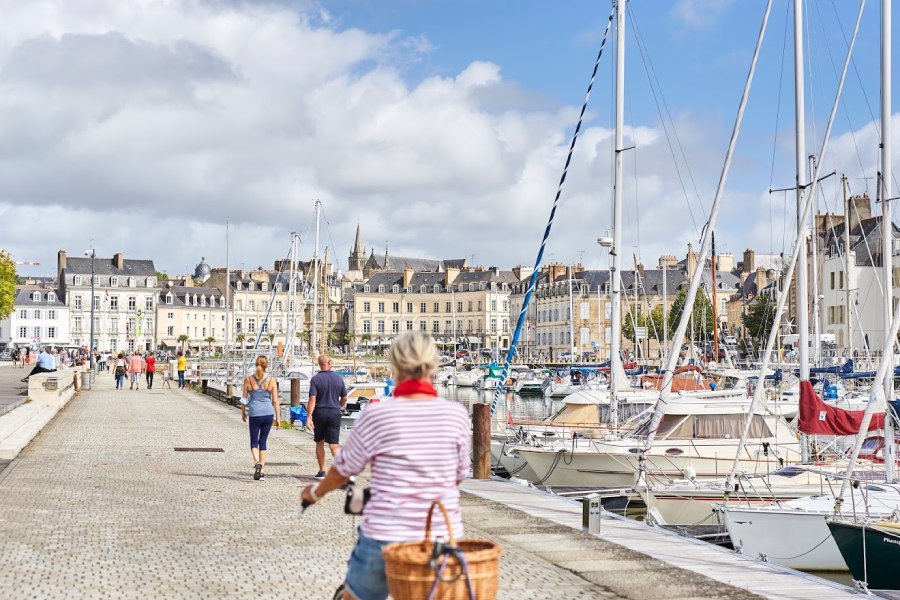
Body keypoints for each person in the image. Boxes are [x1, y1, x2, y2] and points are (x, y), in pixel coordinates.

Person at [300, 332, 470, 600]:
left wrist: (315, 492)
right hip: (439, 538)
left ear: (395, 365)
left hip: (386, 533)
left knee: (355, 595)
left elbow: (344, 469)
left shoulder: (378, 413)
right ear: (434, 366)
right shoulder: (456, 415)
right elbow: (459, 475)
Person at [306, 354, 348, 479]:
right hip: (334, 412)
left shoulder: (315, 379)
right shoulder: (339, 379)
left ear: (319, 364)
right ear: (329, 363)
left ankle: (322, 471)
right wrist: (338, 406)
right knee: (334, 444)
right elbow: (344, 398)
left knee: (319, 442)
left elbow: (312, 399)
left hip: (320, 412)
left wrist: (308, 417)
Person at [241, 355, 279, 480]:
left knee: (254, 441)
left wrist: (243, 412)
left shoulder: (248, 379)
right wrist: (278, 418)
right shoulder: (271, 380)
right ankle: (262, 470)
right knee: (263, 441)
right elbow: (275, 401)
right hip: (268, 413)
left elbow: (244, 398)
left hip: (254, 413)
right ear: (266, 365)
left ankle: (257, 462)